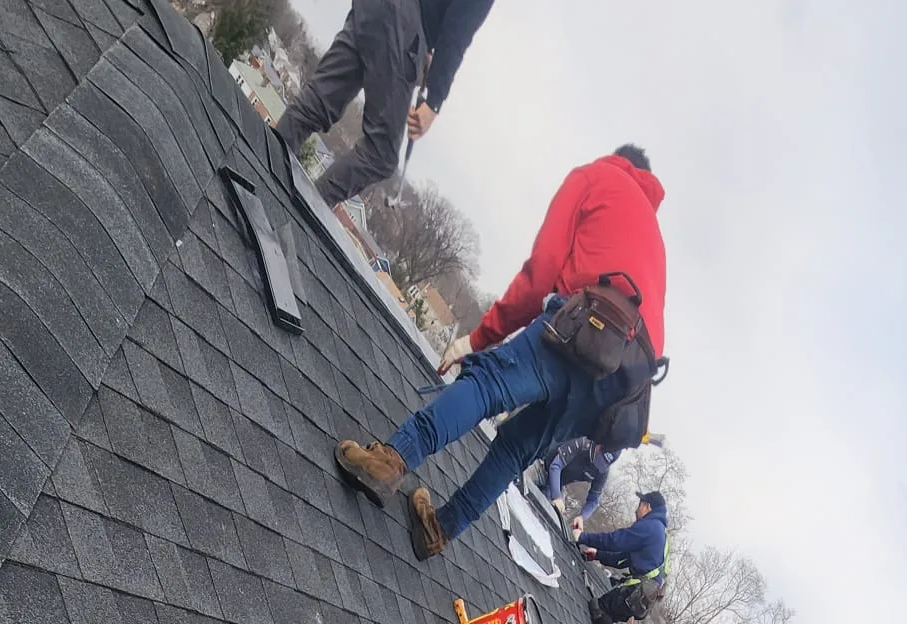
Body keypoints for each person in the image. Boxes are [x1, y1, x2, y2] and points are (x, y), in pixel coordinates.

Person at [334, 144, 667, 558]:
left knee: (488, 383)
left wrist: (477, 339)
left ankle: (390, 460)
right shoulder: (656, 241)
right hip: (616, 387)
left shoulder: (596, 177)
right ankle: (438, 530)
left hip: (580, 331)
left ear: (617, 159)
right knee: (517, 448)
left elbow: (542, 269)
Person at [277, 1, 495, 209]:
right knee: (381, 155)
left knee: (319, 100)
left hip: (372, 9)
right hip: (402, 26)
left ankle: (262, 168)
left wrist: (427, 47)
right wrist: (434, 102)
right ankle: (303, 207)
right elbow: (457, 34)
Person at [577, 489, 668, 624]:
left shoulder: (650, 527)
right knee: (607, 615)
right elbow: (624, 557)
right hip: (644, 599)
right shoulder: (661, 535)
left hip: (636, 592)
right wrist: (598, 555)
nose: (636, 510)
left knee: (599, 607)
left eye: (639, 505)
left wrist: (582, 537)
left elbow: (616, 540)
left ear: (647, 506)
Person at [541, 440, 621, 528]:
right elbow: (555, 466)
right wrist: (556, 496)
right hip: (543, 464)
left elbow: (594, 500)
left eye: (603, 463)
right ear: (599, 446)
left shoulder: (602, 471)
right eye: (600, 458)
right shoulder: (582, 443)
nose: (597, 465)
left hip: (558, 483)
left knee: (556, 515)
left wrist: (582, 517)